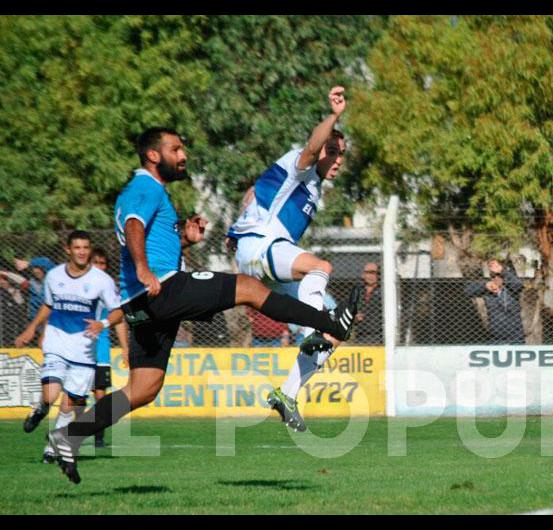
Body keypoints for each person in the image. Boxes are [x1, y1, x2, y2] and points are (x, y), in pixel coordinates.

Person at [46, 127, 358, 484]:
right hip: (163, 289)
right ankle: (327, 324)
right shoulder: (145, 187)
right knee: (249, 287)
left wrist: (184, 240)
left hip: (142, 302)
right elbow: (133, 226)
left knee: (144, 388)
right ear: (153, 155)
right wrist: (144, 269)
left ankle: (69, 435)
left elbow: (146, 236)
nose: (183, 155)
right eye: (176, 149)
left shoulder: (152, 192)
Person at [226, 86, 361, 433]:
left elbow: (254, 196)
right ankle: (315, 324)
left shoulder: (312, 188)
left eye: (342, 154)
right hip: (260, 247)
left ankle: (286, 395)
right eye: (333, 151)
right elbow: (311, 147)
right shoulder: (299, 166)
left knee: (334, 335)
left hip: (265, 259)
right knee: (322, 268)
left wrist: (242, 216)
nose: (338, 159)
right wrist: (333, 116)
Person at [14, 231, 123, 463]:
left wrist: (102, 323)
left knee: (69, 404)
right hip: (57, 341)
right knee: (51, 394)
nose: (82, 252)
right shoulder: (53, 276)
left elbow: (118, 311)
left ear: (90, 250)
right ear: (68, 249)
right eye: (77, 247)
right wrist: (33, 328)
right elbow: (48, 305)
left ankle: (52, 449)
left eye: (86, 247)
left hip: (84, 349)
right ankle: (41, 408)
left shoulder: (101, 280)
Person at [89, 248, 130, 448]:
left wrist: (125, 348)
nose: (100, 267)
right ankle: (71, 433)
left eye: (103, 263)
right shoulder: (80, 284)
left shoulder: (110, 288)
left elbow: (119, 319)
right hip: (79, 349)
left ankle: (98, 437)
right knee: (76, 396)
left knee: (100, 395)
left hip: (101, 350)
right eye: (96, 262)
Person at [464, 259, 525, 344]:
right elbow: (468, 291)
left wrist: (502, 271)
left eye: (499, 276)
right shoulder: (488, 290)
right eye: (493, 277)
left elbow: (518, 285)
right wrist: (485, 286)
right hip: (495, 337)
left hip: (515, 336)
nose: (496, 279)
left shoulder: (511, 289)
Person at [355, 262, 383, 344]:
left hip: (379, 335)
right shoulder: (358, 291)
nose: (371, 276)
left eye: (374, 273)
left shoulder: (383, 291)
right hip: (360, 334)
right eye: (368, 273)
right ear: (363, 275)